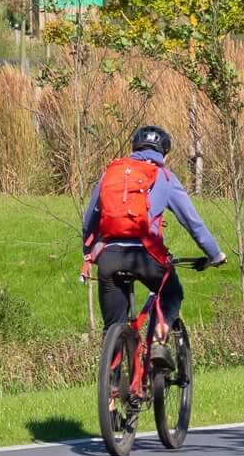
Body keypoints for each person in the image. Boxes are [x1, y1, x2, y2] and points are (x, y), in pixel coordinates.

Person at [81, 124, 226, 331]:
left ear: (134, 149)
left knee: (113, 326)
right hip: (145, 256)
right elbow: (192, 222)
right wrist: (215, 255)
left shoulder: (109, 175)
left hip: (109, 255)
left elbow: (89, 222)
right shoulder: (165, 177)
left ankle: (113, 351)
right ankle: (160, 335)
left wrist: (88, 253)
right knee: (171, 293)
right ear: (164, 155)